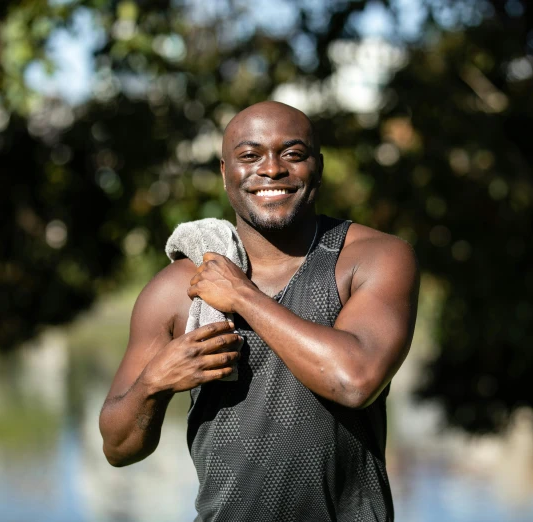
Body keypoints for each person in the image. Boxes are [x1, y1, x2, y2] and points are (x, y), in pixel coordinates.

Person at [99, 101, 419, 521]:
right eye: (250, 156)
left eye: (292, 154)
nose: (271, 170)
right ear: (224, 172)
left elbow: (354, 380)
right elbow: (118, 449)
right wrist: (153, 383)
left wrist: (242, 296)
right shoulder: (179, 287)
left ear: (317, 167)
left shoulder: (373, 258)